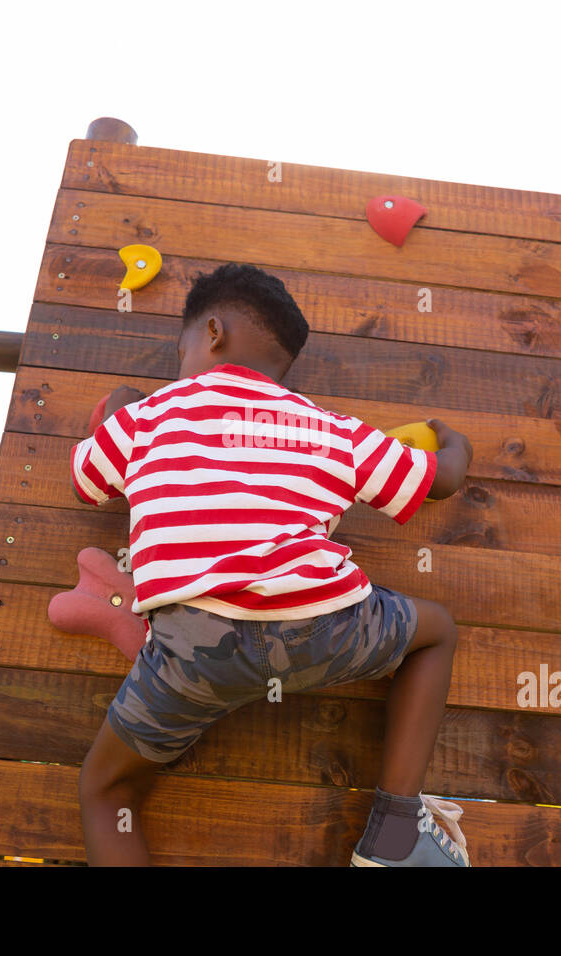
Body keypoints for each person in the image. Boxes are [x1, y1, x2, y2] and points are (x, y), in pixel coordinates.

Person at [70, 263, 474, 866]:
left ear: (210, 332)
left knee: (105, 791)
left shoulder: (148, 418)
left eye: (179, 350)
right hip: (321, 625)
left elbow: (86, 482)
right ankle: (394, 830)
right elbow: (440, 481)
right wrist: (454, 443)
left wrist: (124, 404)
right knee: (434, 631)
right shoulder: (331, 429)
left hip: (192, 649)